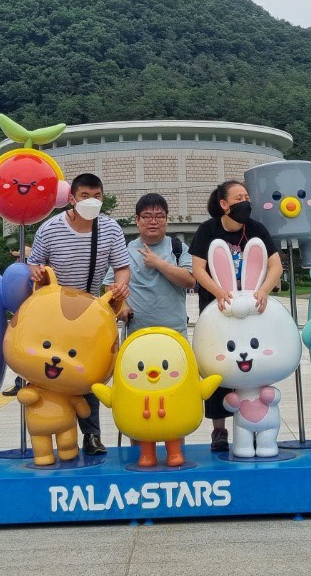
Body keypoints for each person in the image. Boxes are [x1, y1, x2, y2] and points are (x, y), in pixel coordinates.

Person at [26, 173, 130, 455]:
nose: (91, 201)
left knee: (88, 372)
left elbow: (121, 267)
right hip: (52, 311)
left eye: (97, 196)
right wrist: (36, 272)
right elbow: (34, 263)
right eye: (85, 196)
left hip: (89, 310)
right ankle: (49, 432)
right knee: (49, 368)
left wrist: (121, 285)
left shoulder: (110, 229)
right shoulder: (50, 228)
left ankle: (92, 436)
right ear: (72, 198)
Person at [189, 179, 283, 453]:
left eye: (246, 197)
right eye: (238, 198)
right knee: (219, 366)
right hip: (218, 310)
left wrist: (263, 290)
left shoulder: (256, 229)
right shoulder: (208, 230)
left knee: (254, 363)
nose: (245, 202)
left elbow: (275, 265)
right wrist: (219, 292)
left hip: (254, 310)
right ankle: (219, 429)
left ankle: (255, 423)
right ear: (224, 204)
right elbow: (198, 268)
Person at [125, 193, 195, 335]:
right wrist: (122, 306)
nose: (153, 221)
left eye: (159, 216)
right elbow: (111, 285)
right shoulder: (125, 250)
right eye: (147, 216)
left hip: (174, 334)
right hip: (136, 334)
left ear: (166, 219)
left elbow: (190, 281)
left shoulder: (178, 248)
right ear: (137, 219)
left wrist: (158, 263)